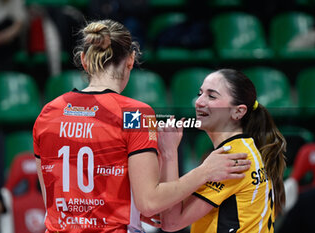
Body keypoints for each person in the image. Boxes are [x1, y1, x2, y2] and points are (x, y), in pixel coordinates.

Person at [33, 19, 251, 233]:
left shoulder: (48, 113)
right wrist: (205, 171)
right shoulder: (135, 114)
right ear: (130, 60)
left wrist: (132, 208)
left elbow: (54, 200)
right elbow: (149, 201)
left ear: (83, 60)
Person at [159, 69, 286, 233]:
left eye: (211, 96)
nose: (199, 101)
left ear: (238, 111)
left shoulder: (232, 158)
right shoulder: (242, 149)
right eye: (200, 93)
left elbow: (171, 222)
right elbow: (170, 210)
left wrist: (169, 153)